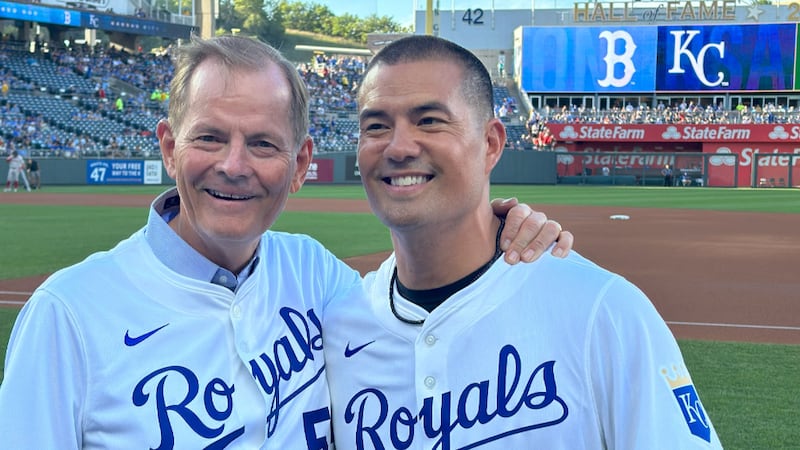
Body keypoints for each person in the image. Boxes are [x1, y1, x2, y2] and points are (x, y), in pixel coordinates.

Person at [0, 35, 572, 448]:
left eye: (263, 145)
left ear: (300, 166)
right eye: (210, 137)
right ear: (170, 148)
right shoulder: (68, 315)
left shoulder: (315, 275)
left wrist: (499, 228)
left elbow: (422, 318)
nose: (233, 165)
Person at [324, 35, 722, 449]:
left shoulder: (603, 310)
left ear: (491, 144)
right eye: (376, 126)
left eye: (429, 121)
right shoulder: (336, 326)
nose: (398, 146)